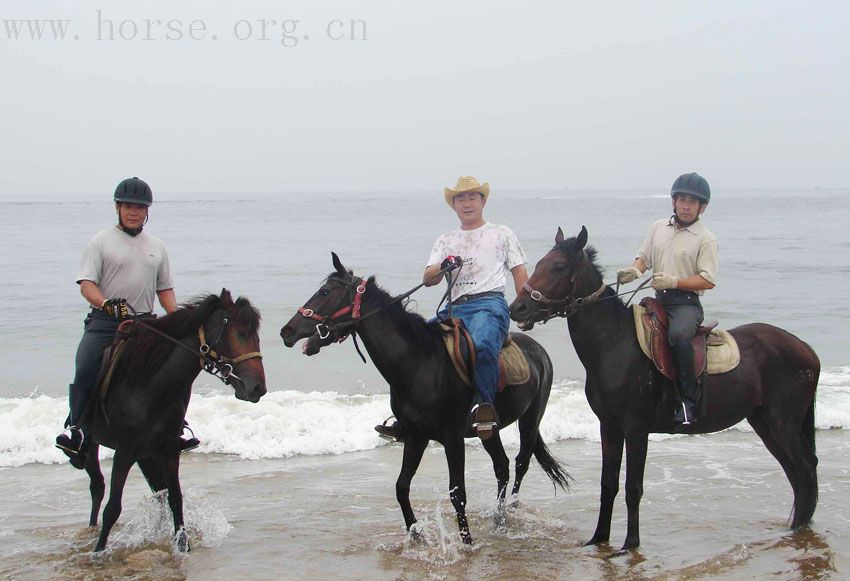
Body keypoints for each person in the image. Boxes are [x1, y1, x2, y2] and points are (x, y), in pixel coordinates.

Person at [55, 177, 199, 468]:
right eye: (129, 207)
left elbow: (165, 288)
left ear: (147, 211)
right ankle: (77, 430)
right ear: (118, 208)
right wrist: (106, 303)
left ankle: (177, 426)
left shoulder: (156, 246)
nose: (134, 212)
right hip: (106, 323)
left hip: (146, 324)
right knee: (85, 364)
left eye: (140, 208)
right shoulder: (100, 242)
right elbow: (87, 284)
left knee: (179, 365)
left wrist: (176, 316)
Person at [375, 176, 529, 441]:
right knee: (414, 348)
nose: (466, 203)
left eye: (472, 197)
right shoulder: (445, 240)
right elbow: (428, 279)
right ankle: (406, 417)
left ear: (483, 201)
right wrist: (443, 265)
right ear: (454, 205)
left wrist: (525, 308)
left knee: (481, 346)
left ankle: (485, 408)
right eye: (461, 198)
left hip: (489, 304)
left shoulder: (501, 233)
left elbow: (519, 273)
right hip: (453, 308)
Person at [616, 172, 718, 427]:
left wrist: (675, 281)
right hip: (659, 298)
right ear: (673, 202)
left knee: (678, 336)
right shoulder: (658, 227)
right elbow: (644, 257)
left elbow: (708, 280)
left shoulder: (706, 239)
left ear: (702, 208)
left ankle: (687, 402)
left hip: (685, 303)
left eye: (692, 202)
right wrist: (635, 270)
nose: (686, 206)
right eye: (682, 200)